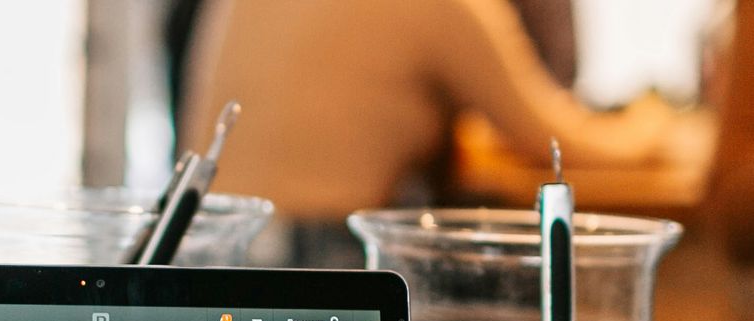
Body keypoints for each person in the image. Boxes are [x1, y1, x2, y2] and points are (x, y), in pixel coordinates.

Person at [180, 0, 715, 267]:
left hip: (208, 241)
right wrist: (658, 123)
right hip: (323, 252)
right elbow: (554, 139)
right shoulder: (449, 7)